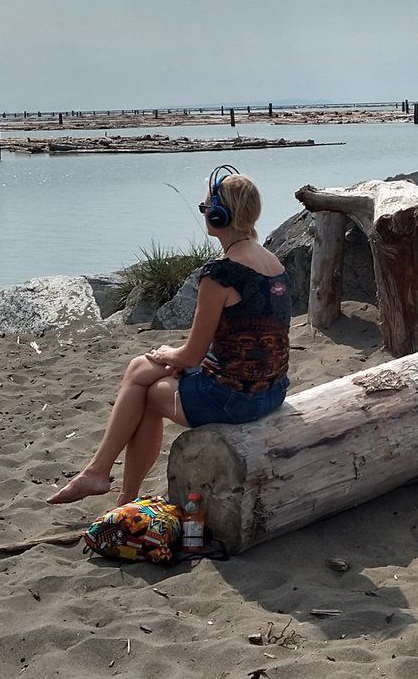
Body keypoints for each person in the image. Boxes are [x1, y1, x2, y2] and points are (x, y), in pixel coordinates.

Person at [47, 166, 291, 506]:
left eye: (206, 209)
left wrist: (167, 354)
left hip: (235, 400)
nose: (205, 214)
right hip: (272, 390)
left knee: (148, 393)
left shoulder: (220, 275)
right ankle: (101, 477)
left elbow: (190, 356)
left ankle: (110, 483)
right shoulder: (273, 263)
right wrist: (175, 360)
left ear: (221, 216)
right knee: (139, 369)